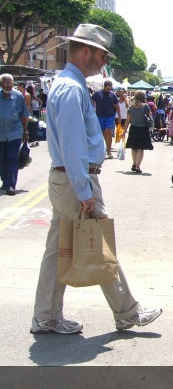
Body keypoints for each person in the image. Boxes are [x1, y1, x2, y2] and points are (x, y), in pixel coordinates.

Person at [31, 23, 161, 335]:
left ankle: (46, 315)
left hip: (68, 179)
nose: (104, 62)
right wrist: (85, 190)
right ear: (86, 51)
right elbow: (75, 145)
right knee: (99, 244)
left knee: (57, 250)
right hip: (76, 180)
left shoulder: (68, 85)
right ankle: (127, 311)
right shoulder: (73, 89)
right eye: (102, 55)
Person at [0, 74, 30, 196]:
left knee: (12, 158)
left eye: (11, 82)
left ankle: (11, 184)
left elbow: (24, 115)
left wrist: (26, 131)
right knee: (2, 160)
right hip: (1, 134)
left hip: (15, 133)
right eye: (6, 83)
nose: (9, 85)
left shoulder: (18, 96)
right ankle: (5, 182)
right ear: (1, 84)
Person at [123, 90, 154, 173]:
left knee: (134, 147)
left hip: (133, 128)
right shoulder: (145, 106)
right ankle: (137, 166)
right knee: (140, 148)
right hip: (143, 129)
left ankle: (134, 162)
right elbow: (150, 116)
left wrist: (124, 130)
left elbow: (127, 120)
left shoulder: (131, 107)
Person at [92, 80, 121, 159]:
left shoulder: (113, 95)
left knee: (108, 132)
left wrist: (119, 115)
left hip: (109, 117)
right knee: (101, 134)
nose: (109, 90)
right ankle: (101, 150)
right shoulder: (97, 94)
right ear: (104, 87)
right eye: (107, 89)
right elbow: (91, 103)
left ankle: (109, 151)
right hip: (100, 117)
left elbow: (116, 106)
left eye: (110, 89)